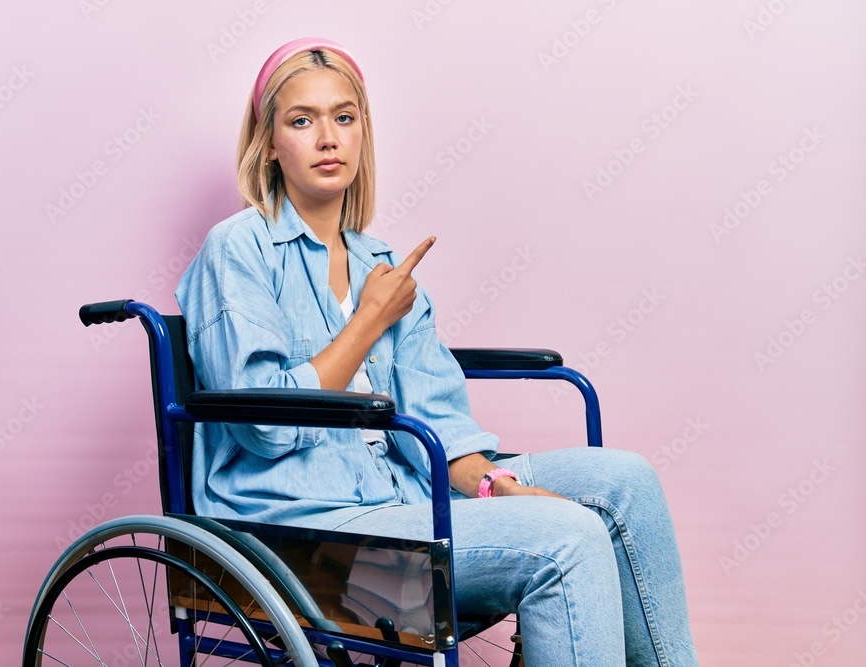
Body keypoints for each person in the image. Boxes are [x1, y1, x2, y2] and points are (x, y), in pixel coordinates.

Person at [176, 37, 699, 667]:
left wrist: (497, 488)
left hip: (403, 496)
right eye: (302, 120)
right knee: (568, 539)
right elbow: (262, 425)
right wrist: (368, 321)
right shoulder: (237, 250)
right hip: (304, 544)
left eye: (344, 117)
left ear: (363, 133)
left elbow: (439, 421)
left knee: (625, 484)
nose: (327, 138)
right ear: (269, 143)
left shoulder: (382, 264)